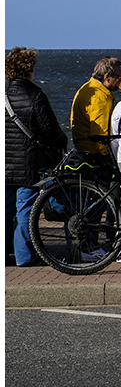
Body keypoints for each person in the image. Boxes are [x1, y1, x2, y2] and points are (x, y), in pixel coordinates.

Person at [6, 47, 68, 267]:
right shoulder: (35, 95)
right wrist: (62, 143)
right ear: (30, 70)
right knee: (25, 211)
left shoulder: (3, 96)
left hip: (5, 164)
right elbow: (50, 131)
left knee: (6, 210)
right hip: (29, 164)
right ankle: (24, 257)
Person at [70, 56, 121, 161]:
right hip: (94, 152)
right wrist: (106, 155)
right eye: (118, 76)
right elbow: (100, 131)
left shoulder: (87, 87)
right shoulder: (100, 97)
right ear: (107, 77)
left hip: (83, 147)